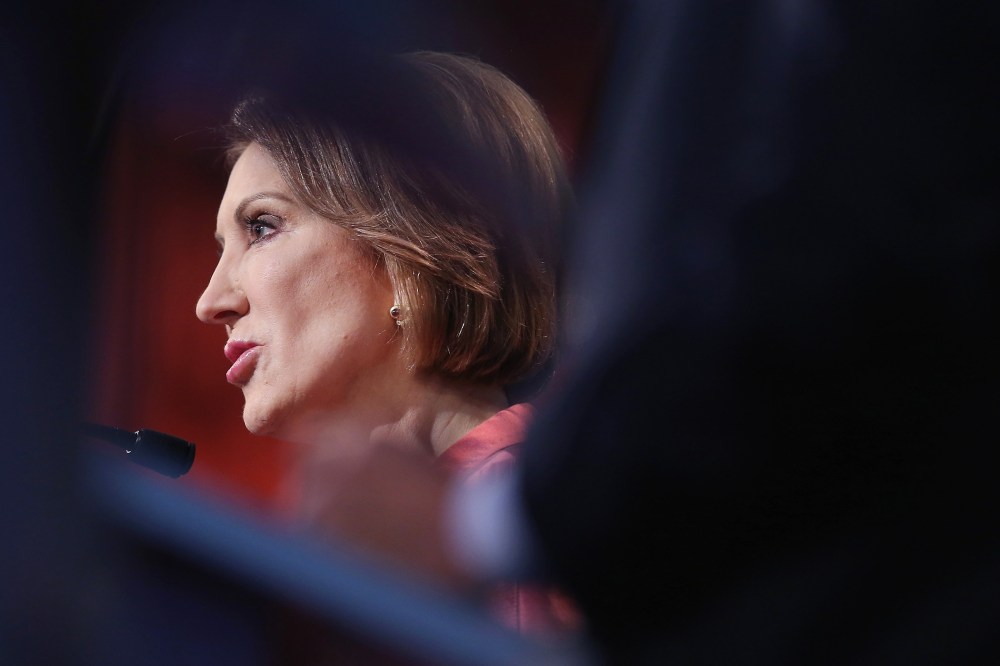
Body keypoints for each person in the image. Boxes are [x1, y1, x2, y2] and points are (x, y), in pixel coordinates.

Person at [194, 50, 578, 637]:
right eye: (223, 248)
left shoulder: (536, 526)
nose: (211, 300)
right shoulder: (346, 552)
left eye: (262, 227)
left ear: (410, 250)